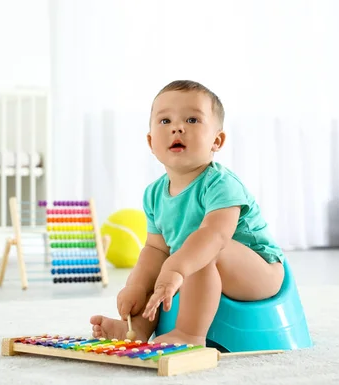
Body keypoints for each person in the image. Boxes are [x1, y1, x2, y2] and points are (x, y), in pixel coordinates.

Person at [90, 80, 285, 346]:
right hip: (196, 270)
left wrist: (175, 266)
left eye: (192, 120)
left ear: (217, 140)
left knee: (201, 252)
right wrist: (137, 285)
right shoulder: (154, 194)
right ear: (150, 142)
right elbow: (155, 249)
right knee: (157, 268)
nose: (177, 127)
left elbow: (215, 236)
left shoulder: (221, 184)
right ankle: (135, 329)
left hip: (258, 273)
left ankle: (189, 334)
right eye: (164, 121)